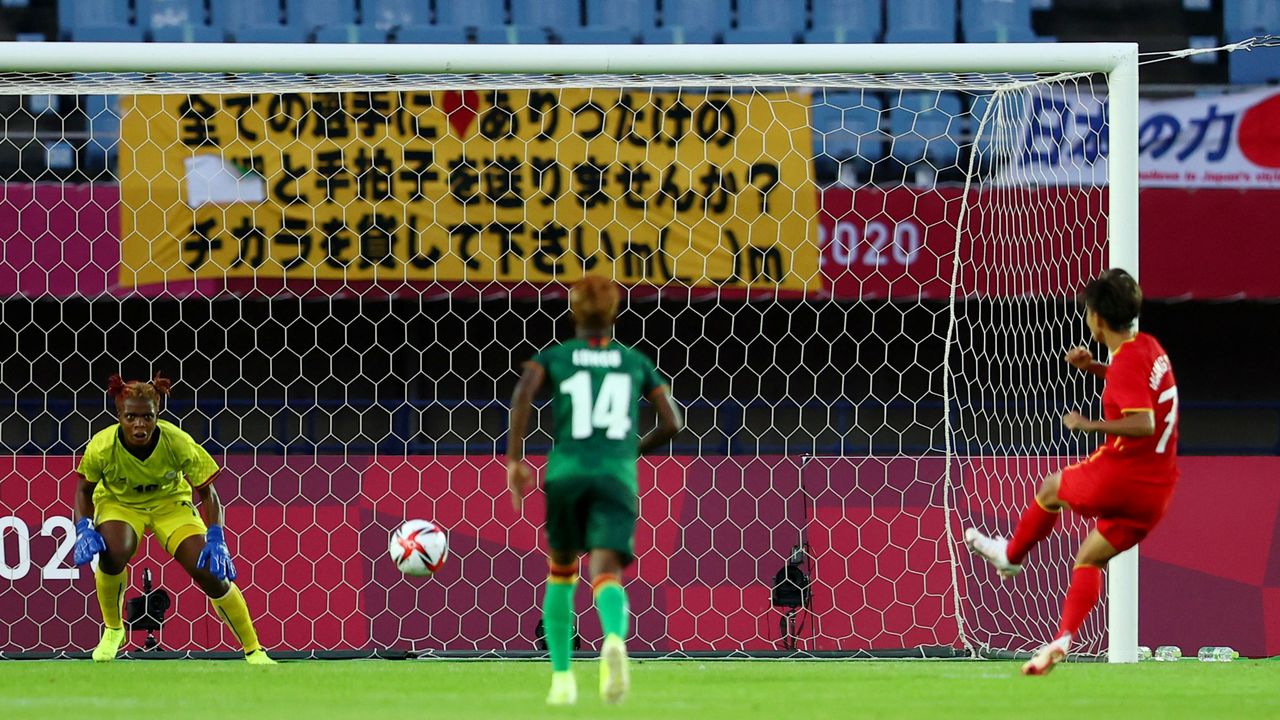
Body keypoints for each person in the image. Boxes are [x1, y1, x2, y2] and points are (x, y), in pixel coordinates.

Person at [966, 268, 1178, 675]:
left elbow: (1144, 422)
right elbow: (1131, 383)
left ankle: (1011, 555)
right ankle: (1062, 638)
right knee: (1089, 559)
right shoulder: (1149, 348)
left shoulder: (1130, 361)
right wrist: (1095, 368)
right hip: (1158, 491)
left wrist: (1090, 425)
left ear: (1097, 318)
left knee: (1050, 489)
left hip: (1126, 475)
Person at [506, 276, 684, 706]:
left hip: (566, 472)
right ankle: (615, 641)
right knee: (605, 572)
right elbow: (673, 422)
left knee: (562, 571)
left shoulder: (556, 357)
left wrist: (515, 460)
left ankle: (563, 678)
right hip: (615, 475)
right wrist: (628, 452)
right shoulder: (636, 362)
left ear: (572, 313)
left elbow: (523, 394)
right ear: (614, 313)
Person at [73, 373, 275, 664]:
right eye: (131, 416)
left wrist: (216, 536)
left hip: (171, 505)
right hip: (120, 504)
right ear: (119, 415)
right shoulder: (102, 446)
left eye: (147, 417)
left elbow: (208, 493)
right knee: (112, 552)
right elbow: (83, 490)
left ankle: (254, 650)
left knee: (211, 572)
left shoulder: (177, 441)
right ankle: (114, 630)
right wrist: (84, 527)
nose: (139, 425)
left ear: (157, 414)